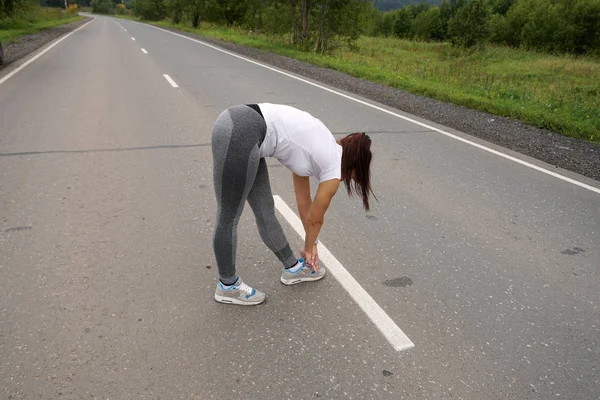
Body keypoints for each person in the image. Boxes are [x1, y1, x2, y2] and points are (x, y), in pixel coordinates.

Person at [211, 103, 375, 306]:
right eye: (356, 175)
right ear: (354, 167)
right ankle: (228, 285)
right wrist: (309, 248)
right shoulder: (332, 169)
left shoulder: (321, 149)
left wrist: (311, 244)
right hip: (242, 131)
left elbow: (304, 202)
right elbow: (316, 219)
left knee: (265, 210)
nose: (350, 180)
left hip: (248, 133)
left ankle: (292, 268)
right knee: (229, 215)